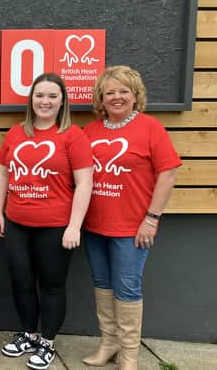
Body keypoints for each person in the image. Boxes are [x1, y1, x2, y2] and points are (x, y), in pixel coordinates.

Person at [81, 66, 181, 370]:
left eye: (123, 91)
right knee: (102, 285)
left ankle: (129, 354)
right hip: (94, 225)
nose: (116, 97)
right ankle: (108, 343)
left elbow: (169, 172)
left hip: (132, 228)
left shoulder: (150, 128)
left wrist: (152, 218)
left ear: (136, 96)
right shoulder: (91, 131)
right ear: (101, 98)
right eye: (109, 92)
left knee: (127, 289)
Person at [0, 73, 93, 370]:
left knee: (52, 286)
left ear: (62, 101)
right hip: (16, 223)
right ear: (31, 100)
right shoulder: (15, 134)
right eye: (39, 95)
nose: (45, 101)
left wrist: (74, 225)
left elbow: (84, 182)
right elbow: (2, 174)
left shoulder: (73, 136)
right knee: (21, 281)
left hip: (56, 227)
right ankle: (28, 334)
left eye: (52, 96)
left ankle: (47, 342)